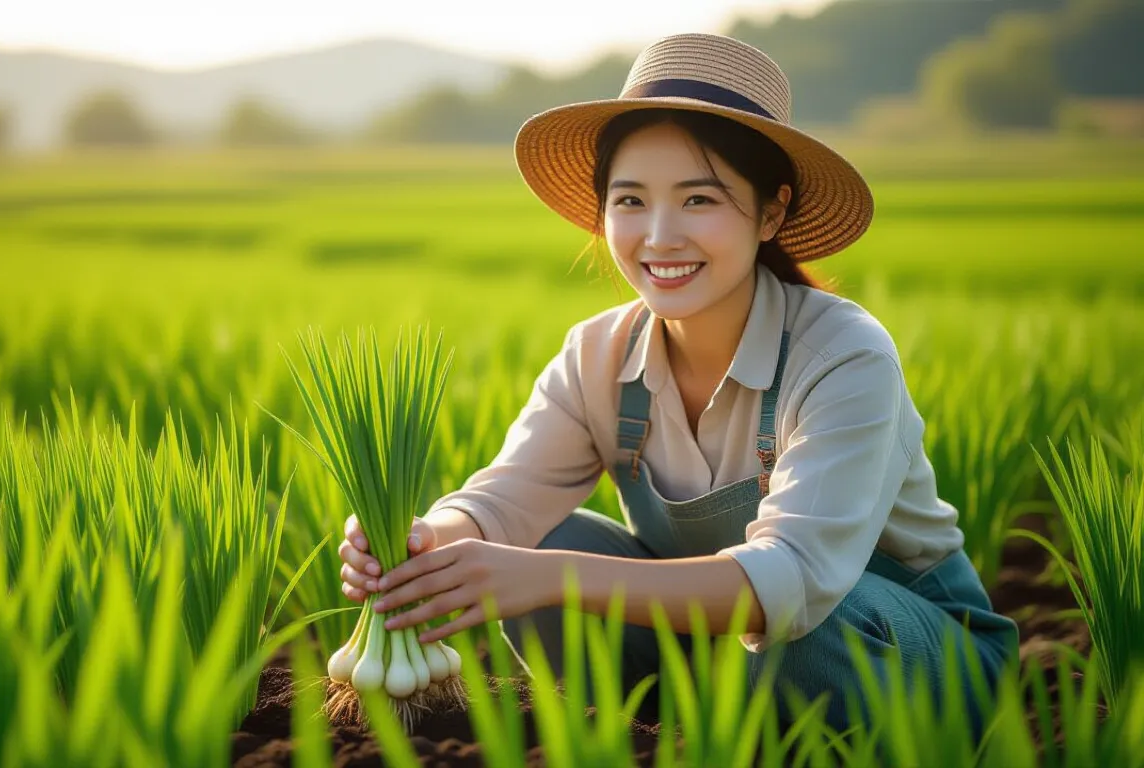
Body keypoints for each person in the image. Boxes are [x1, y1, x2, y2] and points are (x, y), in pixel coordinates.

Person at [335, 32, 1019, 733]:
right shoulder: (598, 354)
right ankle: (658, 735)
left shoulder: (843, 355)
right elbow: (504, 501)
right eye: (631, 200)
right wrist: (422, 541)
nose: (659, 236)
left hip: (904, 653)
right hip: (715, 654)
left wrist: (549, 577)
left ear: (771, 212)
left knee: (806, 629)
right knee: (538, 543)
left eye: (698, 200)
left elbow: (793, 580)